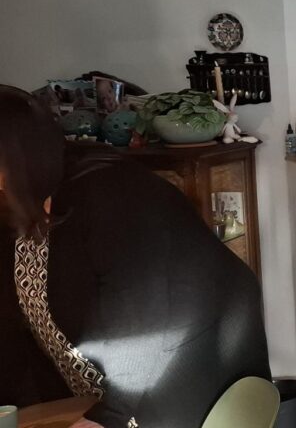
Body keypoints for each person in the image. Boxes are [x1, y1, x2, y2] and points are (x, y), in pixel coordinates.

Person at [0, 84, 270, 428]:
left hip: (188, 374)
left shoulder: (112, 194)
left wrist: (108, 417)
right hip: (108, 392)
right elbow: (17, 327)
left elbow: (144, 322)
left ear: (19, 155)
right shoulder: (17, 210)